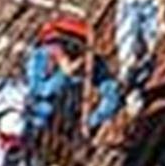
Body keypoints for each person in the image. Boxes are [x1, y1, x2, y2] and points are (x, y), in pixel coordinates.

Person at [22, 15, 121, 153]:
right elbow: (39, 91)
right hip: (38, 121)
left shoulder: (89, 62)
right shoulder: (40, 57)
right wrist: (65, 75)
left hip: (69, 122)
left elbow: (112, 92)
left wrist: (90, 121)